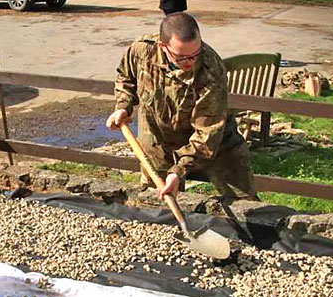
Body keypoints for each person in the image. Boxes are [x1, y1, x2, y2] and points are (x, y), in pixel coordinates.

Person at [105, 12, 255, 200]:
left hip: (214, 143)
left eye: (195, 54)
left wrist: (178, 170)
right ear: (162, 46)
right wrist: (123, 106)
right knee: (155, 201)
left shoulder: (211, 70)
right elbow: (126, 77)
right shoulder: (141, 50)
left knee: (243, 204)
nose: (190, 62)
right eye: (182, 57)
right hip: (158, 140)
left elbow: (207, 134)